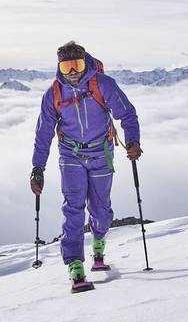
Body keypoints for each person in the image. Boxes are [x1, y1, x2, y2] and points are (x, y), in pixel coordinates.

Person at [30, 41, 142, 284]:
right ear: (59, 66)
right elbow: (43, 133)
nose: (72, 72)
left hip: (101, 152)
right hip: (70, 155)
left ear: (85, 63)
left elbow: (127, 113)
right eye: (67, 66)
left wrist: (132, 141)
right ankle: (75, 265)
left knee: (101, 210)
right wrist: (37, 168)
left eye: (77, 65)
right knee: (73, 207)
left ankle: (99, 243)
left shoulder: (103, 84)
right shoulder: (53, 94)